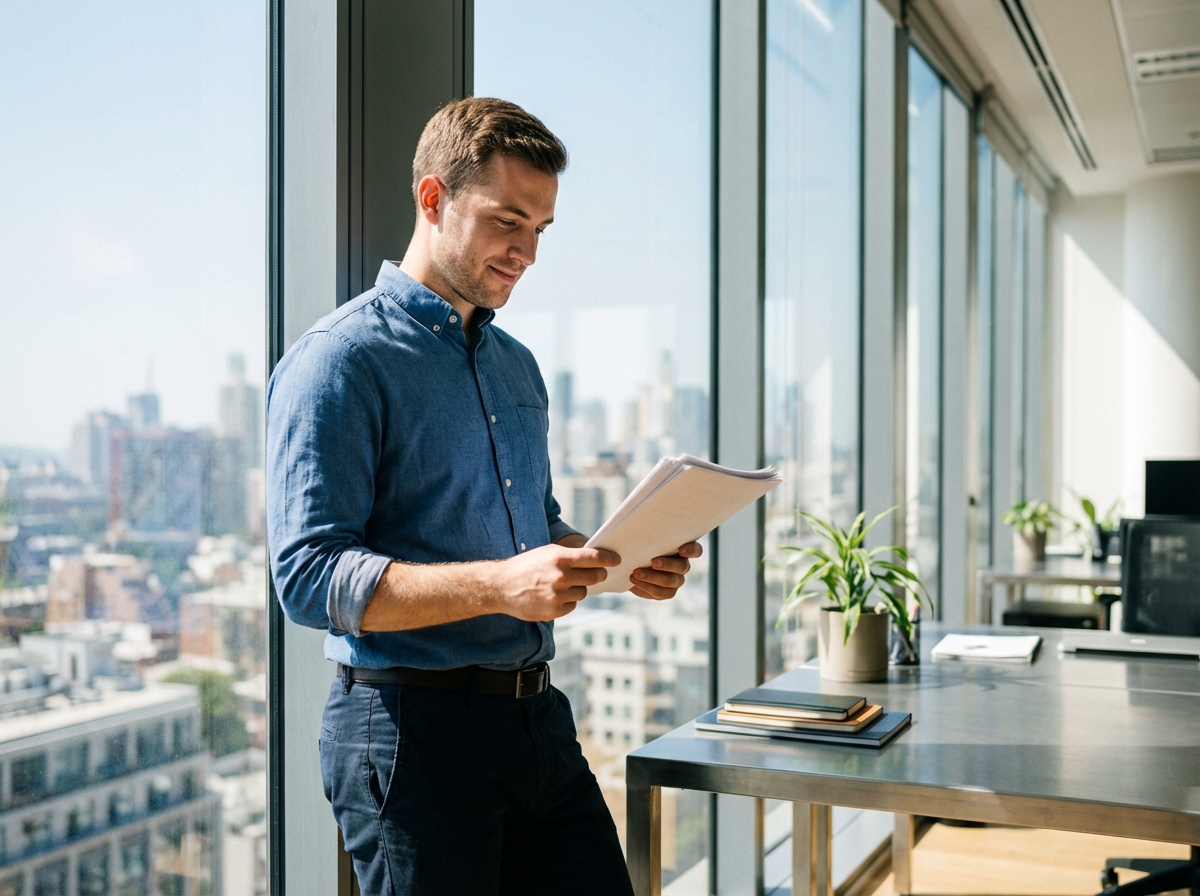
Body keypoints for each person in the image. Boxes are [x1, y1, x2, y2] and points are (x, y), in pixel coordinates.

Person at [266, 97, 702, 895]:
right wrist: (505, 584)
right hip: (409, 736)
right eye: (509, 220)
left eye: (540, 229)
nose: (527, 251)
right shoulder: (340, 362)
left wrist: (621, 558)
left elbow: (535, 531)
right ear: (433, 199)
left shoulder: (516, 367)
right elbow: (309, 577)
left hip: (537, 722)